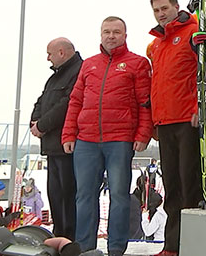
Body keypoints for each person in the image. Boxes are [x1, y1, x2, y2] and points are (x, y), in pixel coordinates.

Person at [61, 16, 153, 256]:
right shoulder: (89, 64)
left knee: (120, 195)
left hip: (119, 140)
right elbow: (76, 100)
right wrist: (69, 133)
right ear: (100, 35)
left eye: (116, 32)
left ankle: (115, 248)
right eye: (106, 32)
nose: (111, 36)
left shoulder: (138, 63)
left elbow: (145, 103)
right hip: (86, 140)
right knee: (84, 196)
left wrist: (143, 134)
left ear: (125, 35)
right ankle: (84, 247)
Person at [146, 0, 201, 256]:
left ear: (176, 6)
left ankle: (190, 242)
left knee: (189, 182)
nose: (161, 14)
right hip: (164, 121)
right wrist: (154, 120)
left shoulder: (193, 31)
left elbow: (205, 71)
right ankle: (172, 245)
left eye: (164, 8)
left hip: (188, 120)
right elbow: (157, 84)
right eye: (156, 10)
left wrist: (199, 107)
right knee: (171, 185)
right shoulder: (156, 44)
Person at [29, 37, 82, 239]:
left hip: (67, 146)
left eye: (49, 54)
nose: (48, 59)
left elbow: (66, 105)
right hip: (52, 147)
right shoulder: (54, 77)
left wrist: (42, 125)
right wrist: (35, 122)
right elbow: (41, 101)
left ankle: (69, 237)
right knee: (55, 194)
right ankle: (59, 233)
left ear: (61, 52)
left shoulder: (78, 71)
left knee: (69, 195)